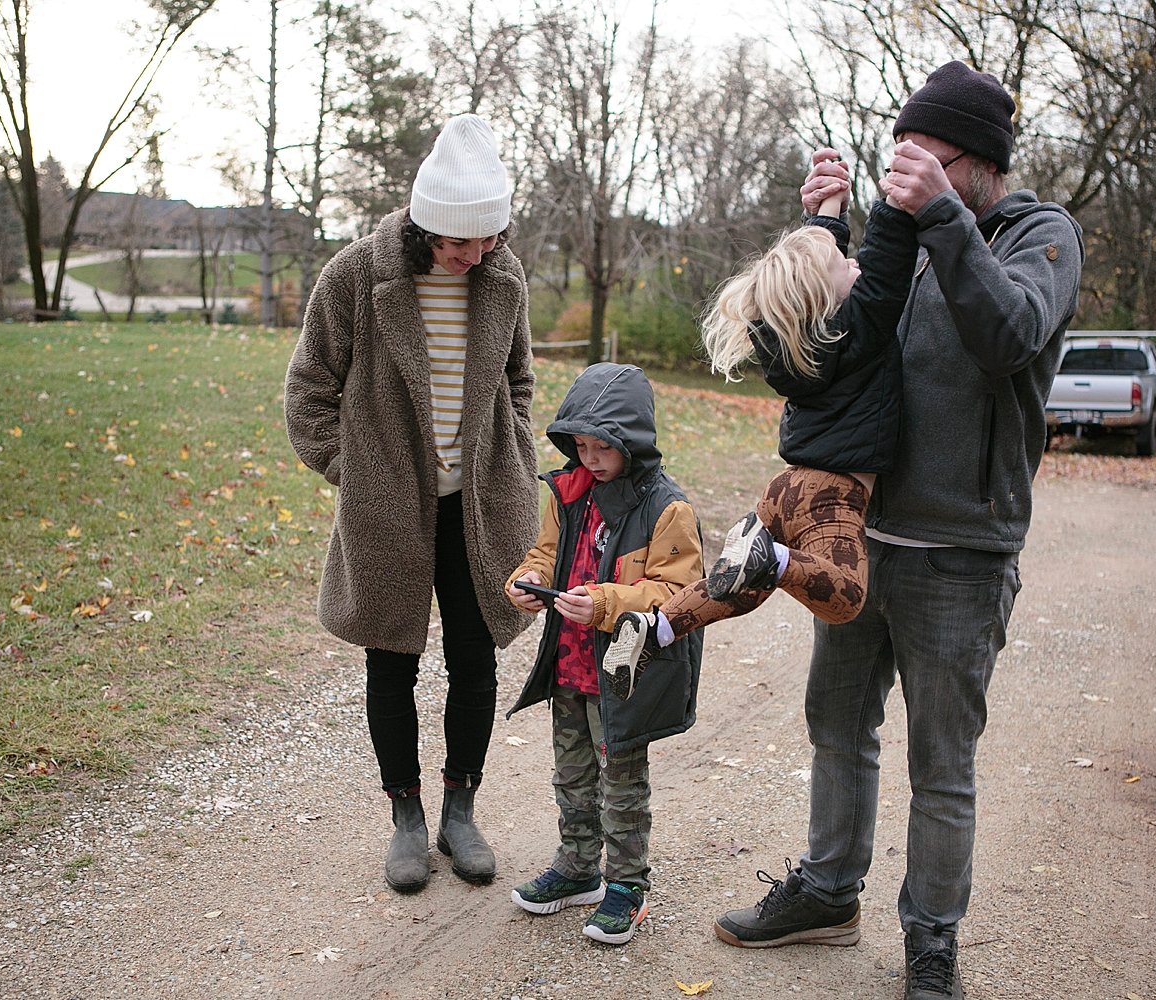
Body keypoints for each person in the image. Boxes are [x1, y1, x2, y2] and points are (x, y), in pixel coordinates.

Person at [711, 61, 1085, 1000]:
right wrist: (823, 225)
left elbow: (1008, 338)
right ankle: (830, 892)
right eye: (900, 152)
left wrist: (945, 225)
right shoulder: (907, 239)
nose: (906, 168)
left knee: (941, 764)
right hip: (863, 539)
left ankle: (931, 943)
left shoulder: (1039, 235)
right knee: (836, 725)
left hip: (963, 552)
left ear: (976, 162)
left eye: (926, 154)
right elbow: (833, 338)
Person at [283, 114, 539, 895]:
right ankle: (405, 817)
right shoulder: (354, 276)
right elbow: (308, 392)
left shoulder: (505, 278)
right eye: (462, 243)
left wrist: (515, 456)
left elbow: (518, 385)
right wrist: (355, 472)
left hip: (478, 506)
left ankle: (462, 809)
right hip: (387, 509)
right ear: (429, 224)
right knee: (390, 657)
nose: (476, 255)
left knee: (474, 658)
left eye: (488, 240)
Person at [599, 150, 927, 675]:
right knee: (844, 599)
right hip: (831, 494)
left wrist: (830, 213)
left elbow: (817, 267)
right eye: (847, 266)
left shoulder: (795, 342)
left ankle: (657, 626)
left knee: (741, 587)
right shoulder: (860, 331)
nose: (855, 264)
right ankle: (770, 558)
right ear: (830, 298)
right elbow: (887, 269)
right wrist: (895, 199)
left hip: (784, 490)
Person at [502, 362, 705, 946]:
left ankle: (627, 887)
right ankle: (577, 866)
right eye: (580, 446)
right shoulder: (567, 494)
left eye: (602, 448)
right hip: (568, 663)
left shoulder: (667, 509)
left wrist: (607, 603)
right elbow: (545, 553)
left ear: (631, 442)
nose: (590, 458)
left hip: (624, 676)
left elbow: (679, 593)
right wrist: (527, 579)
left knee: (621, 782)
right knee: (571, 772)